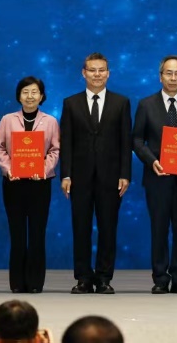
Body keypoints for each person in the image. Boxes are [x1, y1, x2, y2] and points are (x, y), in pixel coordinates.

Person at [131, 54, 177, 294]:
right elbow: (136, 140)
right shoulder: (146, 104)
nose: (173, 78)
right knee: (159, 229)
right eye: (168, 73)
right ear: (160, 76)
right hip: (157, 177)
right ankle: (160, 279)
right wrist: (151, 160)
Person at [60, 51, 132, 294]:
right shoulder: (71, 103)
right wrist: (66, 174)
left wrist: (125, 174)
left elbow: (125, 142)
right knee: (80, 228)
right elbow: (66, 142)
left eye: (101, 70)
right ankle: (83, 278)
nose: (97, 74)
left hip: (111, 177)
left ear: (108, 74)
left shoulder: (121, 103)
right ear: (84, 73)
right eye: (92, 70)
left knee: (108, 229)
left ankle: (103, 278)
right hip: (79, 178)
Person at [0, 76, 61, 294]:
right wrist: (9, 169)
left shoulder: (50, 121)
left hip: (39, 184)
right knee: (17, 234)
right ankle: (17, 282)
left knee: (37, 233)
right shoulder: (7, 119)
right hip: (13, 184)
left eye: (34, 92)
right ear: (19, 96)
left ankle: (35, 282)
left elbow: (55, 150)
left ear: (41, 96)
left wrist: (43, 170)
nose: (30, 96)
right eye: (25, 92)